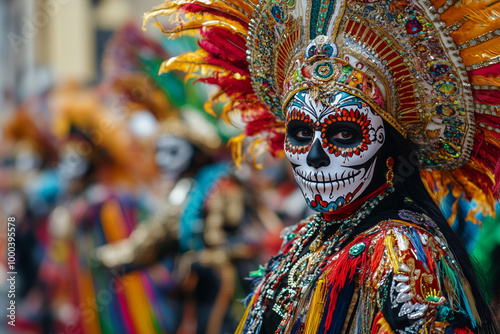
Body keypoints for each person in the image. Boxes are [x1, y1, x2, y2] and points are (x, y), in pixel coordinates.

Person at [144, 0, 500, 332]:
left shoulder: (400, 250)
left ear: (389, 151)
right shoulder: (306, 237)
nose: (315, 156)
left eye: (344, 134)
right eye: (300, 132)